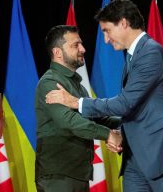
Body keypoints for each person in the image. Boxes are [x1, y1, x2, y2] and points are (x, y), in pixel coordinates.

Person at [45, 0, 163, 192]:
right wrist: (119, 134)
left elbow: (125, 103)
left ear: (123, 23)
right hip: (135, 158)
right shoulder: (133, 57)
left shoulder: (151, 53)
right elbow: (137, 110)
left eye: (107, 31)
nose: (106, 39)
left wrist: (77, 102)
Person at [34, 25, 122, 192]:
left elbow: (96, 117)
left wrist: (131, 122)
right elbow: (69, 120)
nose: (83, 49)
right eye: (76, 45)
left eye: (81, 44)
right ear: (57, 53)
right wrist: (108, 134)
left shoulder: (78, 87)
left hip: (77, 174)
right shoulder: (50, 83)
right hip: (58, 176)